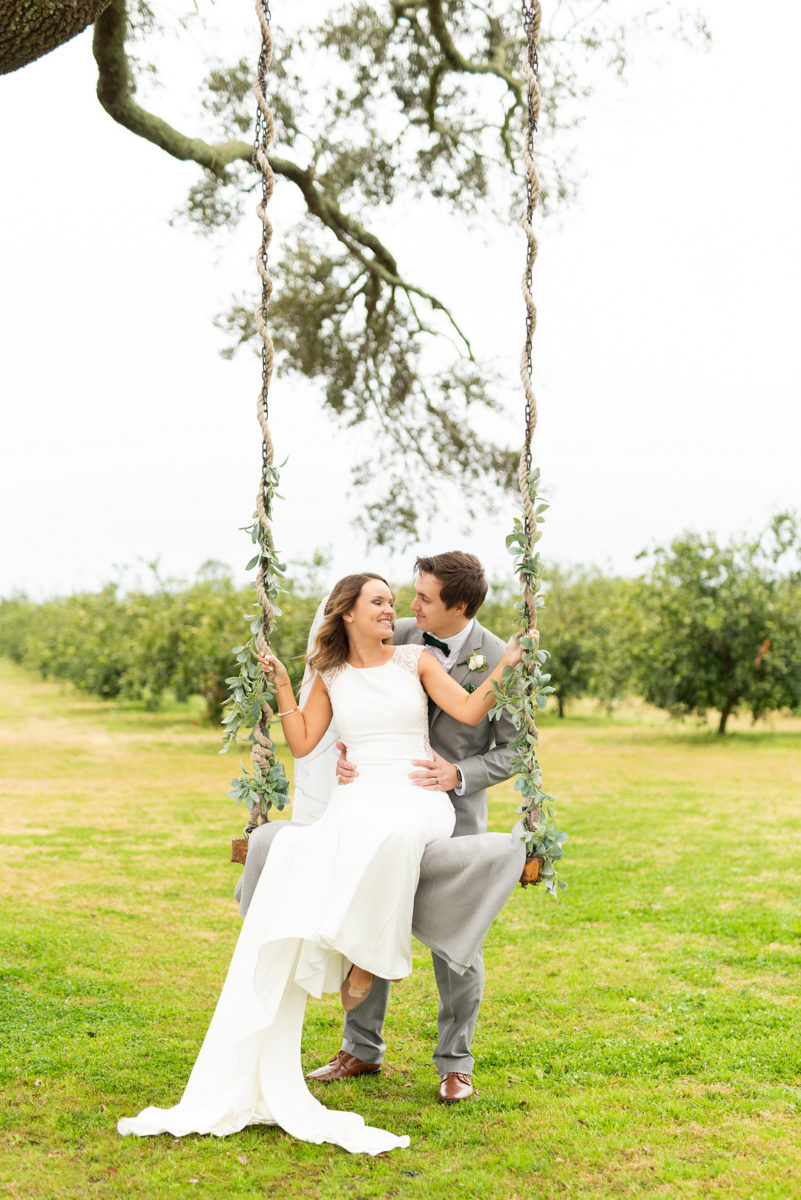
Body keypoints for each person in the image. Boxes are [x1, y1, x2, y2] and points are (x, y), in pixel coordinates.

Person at [118, 571, 528, 1155]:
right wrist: (285, 685)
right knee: (308, 843)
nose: (394, 609)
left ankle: (365, 959)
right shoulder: (331, 675)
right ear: (348, 614)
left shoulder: (416, 659)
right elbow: (306, 741)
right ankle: (352, 978)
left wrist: (507, 665)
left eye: (396, 600)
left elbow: (466, 711)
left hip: (417, 794)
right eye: (381, 602)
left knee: (392, 837)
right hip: (358, 790)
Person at [307, 552, 517, 1103]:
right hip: (380, 802)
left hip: (454, 813)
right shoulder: (394, 632)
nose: (410, 605)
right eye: (412, 595)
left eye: (424, 598)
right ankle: (360, 1048)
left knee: (457, 946)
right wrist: (345, 755)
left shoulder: (500, 657)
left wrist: (460, 773)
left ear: (461, 606)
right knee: (369, 895)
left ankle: (456, 1062)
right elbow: (351, 697)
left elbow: (517, 750)